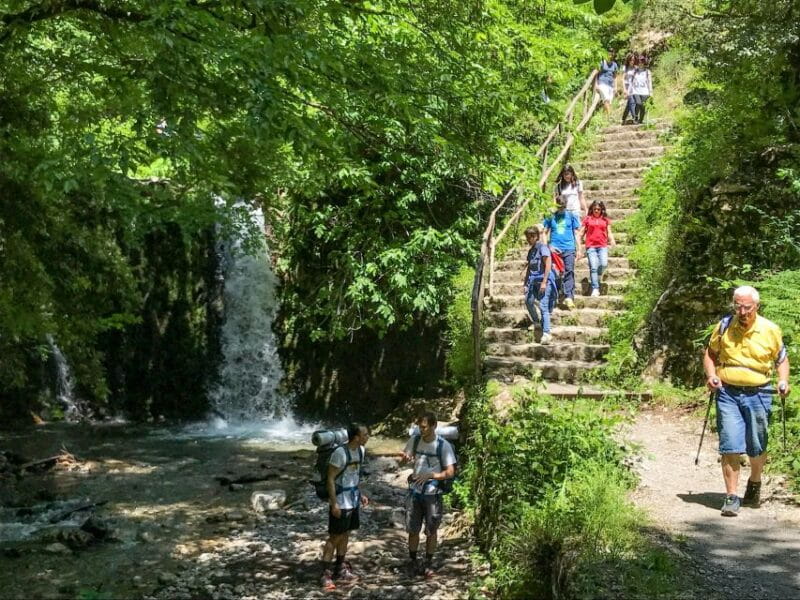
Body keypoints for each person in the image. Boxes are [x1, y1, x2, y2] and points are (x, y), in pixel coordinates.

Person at [703, 286, 791, 517]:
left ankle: (755, 481)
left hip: (760, 393)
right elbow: (710, 354)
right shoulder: (723, 326)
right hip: (728, 393)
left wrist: (783, 381)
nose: (742, 312)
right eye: (738, 306)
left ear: (756, 307)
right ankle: (731, 497)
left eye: (747, 307)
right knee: (730, 444)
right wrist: (711, 376)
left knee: (756, 444)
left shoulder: (770, 329)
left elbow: (781, 359)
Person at [401, 411, 456, 578]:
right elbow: (404, 460)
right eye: (419, 426)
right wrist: (404, 458)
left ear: (434, 426)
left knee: (431, 530)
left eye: (424, 427)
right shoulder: (415, 440)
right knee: (412, 529)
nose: (421, 430)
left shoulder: (443, 446)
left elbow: (450, 472)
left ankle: (428, 562)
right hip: (415, 492)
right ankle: (413, 560)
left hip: (433, 494)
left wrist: (432, 475)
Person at [320, 423, 370, 591]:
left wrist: (360, 494)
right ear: (356, 437)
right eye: (365, 434)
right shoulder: (340, 454)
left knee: (346, 533)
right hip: (340, 501)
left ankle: (340, 567)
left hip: (353, 500)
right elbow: (330, 479)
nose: (368, 436)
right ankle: (325, 574)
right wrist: (334, 503)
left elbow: (353, 476)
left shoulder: (361, 451)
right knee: (335, 536)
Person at [543, 196, 581, 309]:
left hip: (569, 248)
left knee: (569, 271)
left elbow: (576, 233)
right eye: (559, 206)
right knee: (556, 273)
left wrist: (579, 249)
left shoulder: (571, 215)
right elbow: (544, 232)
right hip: (554, 249)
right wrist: (547, 246)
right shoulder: (550, 216)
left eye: (563, 206)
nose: (561, 208)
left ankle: (569, 296)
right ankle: (556, 295)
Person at [523, 226, 557, 345]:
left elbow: (548, 264)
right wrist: (525, 283)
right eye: (528, 236)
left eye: (532, 236)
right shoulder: (531, 251)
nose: (529, 239)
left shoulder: (543, 248)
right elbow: (529, 268)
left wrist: (544, 282)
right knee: (528, 301)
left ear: (537, 236)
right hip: (533, 281)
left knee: (543, 306)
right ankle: (537, 322)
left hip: (545, 281)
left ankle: (547, 333)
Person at [580, 201, 616, 297]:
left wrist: (612, 240)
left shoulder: (605, 220)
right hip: (591, 246)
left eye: (598, 209)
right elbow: (581, 232)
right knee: (593, 267)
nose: (596, 211)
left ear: (602, 210)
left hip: (602, 246)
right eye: (595, 209)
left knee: (604, 264)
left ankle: (598, 276)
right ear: (592, 209)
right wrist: (578, 243)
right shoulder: (587, 219)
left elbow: (609, 231)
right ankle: (595, 288)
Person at [629, 55, 653, 124]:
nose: (640, 63)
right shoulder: (634, 71)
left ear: (644, 62)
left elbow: (649, 82)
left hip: (645, 91)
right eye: (639, 61)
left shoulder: (647, 71)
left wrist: (651, 92)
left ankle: (641, 119)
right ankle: (636, 117)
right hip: (636, 90)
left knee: (642, 106)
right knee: (638, 103)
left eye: (642, 61)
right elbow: (631, 80)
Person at [594, 49, 619, 116]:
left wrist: (615, 87)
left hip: (610, 85)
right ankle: (610, 116)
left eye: (612, 53)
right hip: (602, 83)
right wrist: (596, 84)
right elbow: (596, 73)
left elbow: (615, 76)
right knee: (606, 100)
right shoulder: (602, 63)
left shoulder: (614, 65)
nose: (610, 55)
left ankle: (604, 117)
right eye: (609, 53)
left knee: (609, 102)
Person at [620, 54, 637, 125]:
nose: (632, 61)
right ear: (628, 60)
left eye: (633, 60)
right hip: (627, 87)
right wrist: (624, 89)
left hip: (634, 87)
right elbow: (622, 79)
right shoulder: (625, 68)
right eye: (631, 60)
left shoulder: (635, 68)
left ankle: (623, 118)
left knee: (629, 104)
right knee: (632, 102)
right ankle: (635, 118)